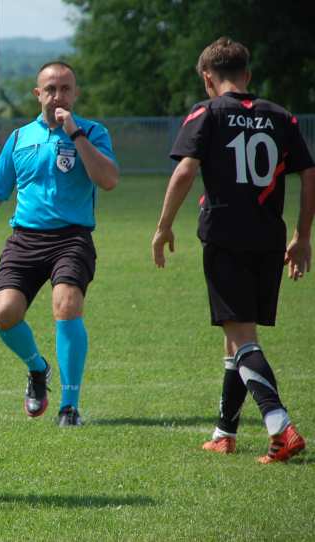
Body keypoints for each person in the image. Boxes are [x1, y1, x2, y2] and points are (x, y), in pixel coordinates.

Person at [152, 37, 312, 463]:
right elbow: (309, 174)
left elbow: (186, 168)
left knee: (241, 338)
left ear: (208, 78)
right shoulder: (281, 117)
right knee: (239, 336)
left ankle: (280, 426)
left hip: (225, 236)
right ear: (248, 75)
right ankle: (225, 431)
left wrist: (164, 226)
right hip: (269, 238)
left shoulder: (208, 113)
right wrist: (303, 236)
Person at [0, 61, 118, 427]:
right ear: (38, 94)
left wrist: (76, 134)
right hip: (25, 239)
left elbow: (108, 180)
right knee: (4, 313)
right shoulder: (19, 138)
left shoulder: (93, 132)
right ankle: (37, 368)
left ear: (75, 94)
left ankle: (69, 406)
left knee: (67, 304)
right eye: (51, 89)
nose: (58, 95)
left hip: (72, 237)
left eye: (65, 88)